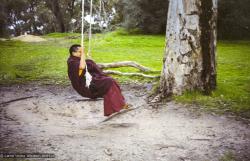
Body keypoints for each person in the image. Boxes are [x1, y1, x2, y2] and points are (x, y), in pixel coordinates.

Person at [67, 44, 129, 116]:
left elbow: (87, 66)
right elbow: (82, 67)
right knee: (109, 81)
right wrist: (83, 54)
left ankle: (119, 105)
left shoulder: (77, 60)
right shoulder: (72, 62)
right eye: (80, 52)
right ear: (73, 53)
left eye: (82, 51)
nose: (81, 53)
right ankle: (117, 107)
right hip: (86, 87)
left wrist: (89, 59)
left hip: (91, 81)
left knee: (111, 81)